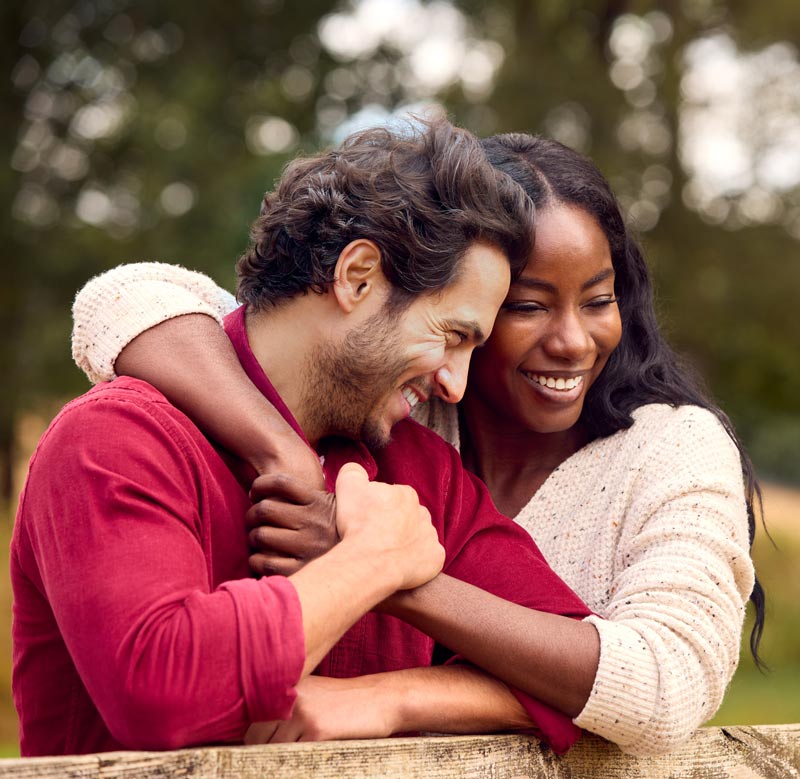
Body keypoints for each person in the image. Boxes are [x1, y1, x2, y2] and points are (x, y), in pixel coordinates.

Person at [71, 130, 764, 756]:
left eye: (598, 298)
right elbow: (132, 298)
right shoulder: (141, 434)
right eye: (520, 308)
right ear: (358, 278)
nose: (573, 339)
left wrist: (395, 644)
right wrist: (285, 455)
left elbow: (633, 687)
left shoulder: (416, 461)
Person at [12, 117, 598, 758]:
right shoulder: (117, 440)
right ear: (359, 276)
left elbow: (587, 680)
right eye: (453, 335)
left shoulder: (417, 471)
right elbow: (163, 695)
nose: (456, 385)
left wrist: (392, 692)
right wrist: (372, 562)